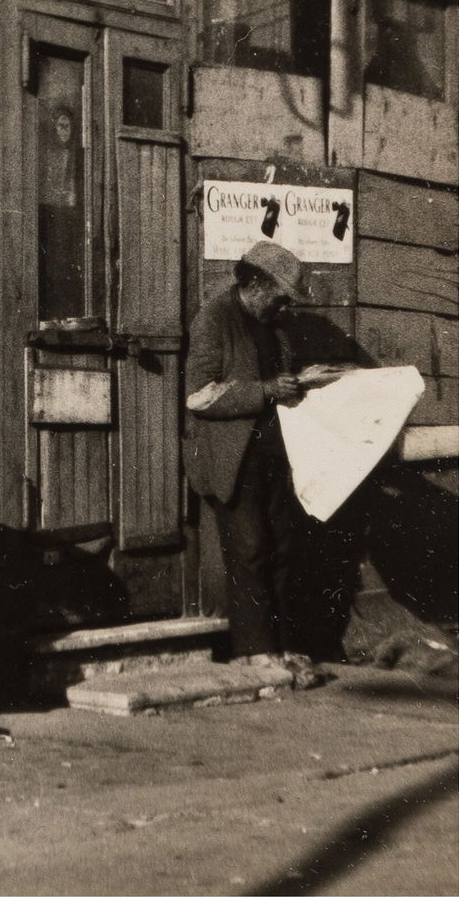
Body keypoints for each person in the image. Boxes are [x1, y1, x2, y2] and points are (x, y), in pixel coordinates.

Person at [184, 240, 322, 688]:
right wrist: (264, 390)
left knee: (282, 548)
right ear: (256, 284)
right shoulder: (214, 318)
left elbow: (275, 384)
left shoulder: (275, 325)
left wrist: (300, 383)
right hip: (233, 458)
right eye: (280, 295)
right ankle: (253, 651)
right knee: (250, 549)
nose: (284, 305)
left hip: (275, 456)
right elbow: (198, 394)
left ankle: (281, 645)